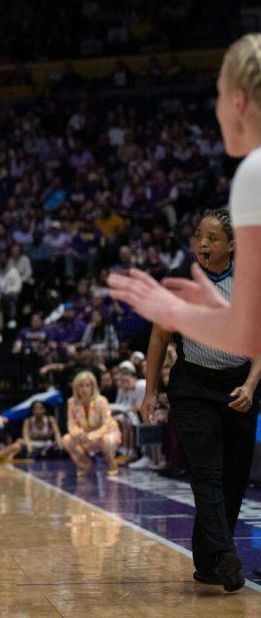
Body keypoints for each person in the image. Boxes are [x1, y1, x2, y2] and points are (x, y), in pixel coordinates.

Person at [109, 36, 261, 360]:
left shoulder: (255, 171)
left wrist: (171, 311)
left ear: (238, 102)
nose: (216, 108)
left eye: (218, 95)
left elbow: (247, 337)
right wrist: (223, 313)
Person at [140, 207, 259, 592]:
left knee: (233, 479)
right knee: (206, 473)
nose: (203, 244)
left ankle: (207, 563)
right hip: (192, 387)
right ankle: (225, 556)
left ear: (232, 244)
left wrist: (252, 385)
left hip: (239, 386)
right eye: (198, 237)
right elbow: (159, 337)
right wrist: (150, 390)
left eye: (212, 238)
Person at [61, 370, 121, 476]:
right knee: (67, 439)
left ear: (93, 387)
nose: (84, 389)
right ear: (76, 388)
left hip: (103, 434)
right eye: (81, 386)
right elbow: (71, 424)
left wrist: (93, 435)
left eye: (87, 385)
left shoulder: (101, 401)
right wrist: (79, 433)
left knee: (108, 440)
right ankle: (84, 464)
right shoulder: (71, 402)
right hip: (85, 435)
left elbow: (107, 424)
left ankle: (111, 463)